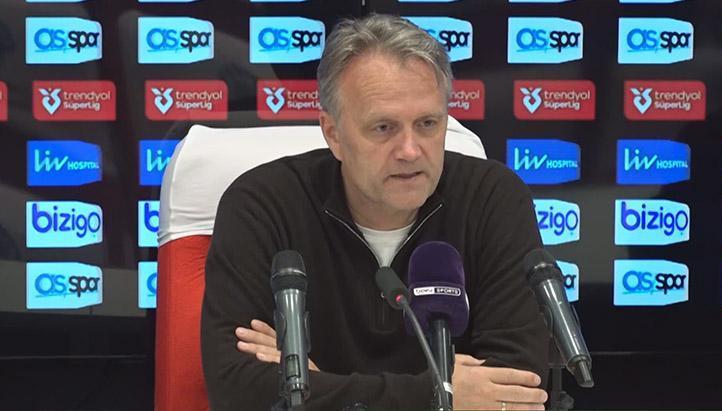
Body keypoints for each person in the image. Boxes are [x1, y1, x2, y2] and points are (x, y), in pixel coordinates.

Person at [201, 14, 549, 410]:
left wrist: (315, 386)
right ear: (333, 133)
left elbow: (518, 389)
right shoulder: (262, 206)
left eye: (427, 123)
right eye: (383, 128)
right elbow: (238, 391)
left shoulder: (492, 199)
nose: (410, 150)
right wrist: (439, 393)